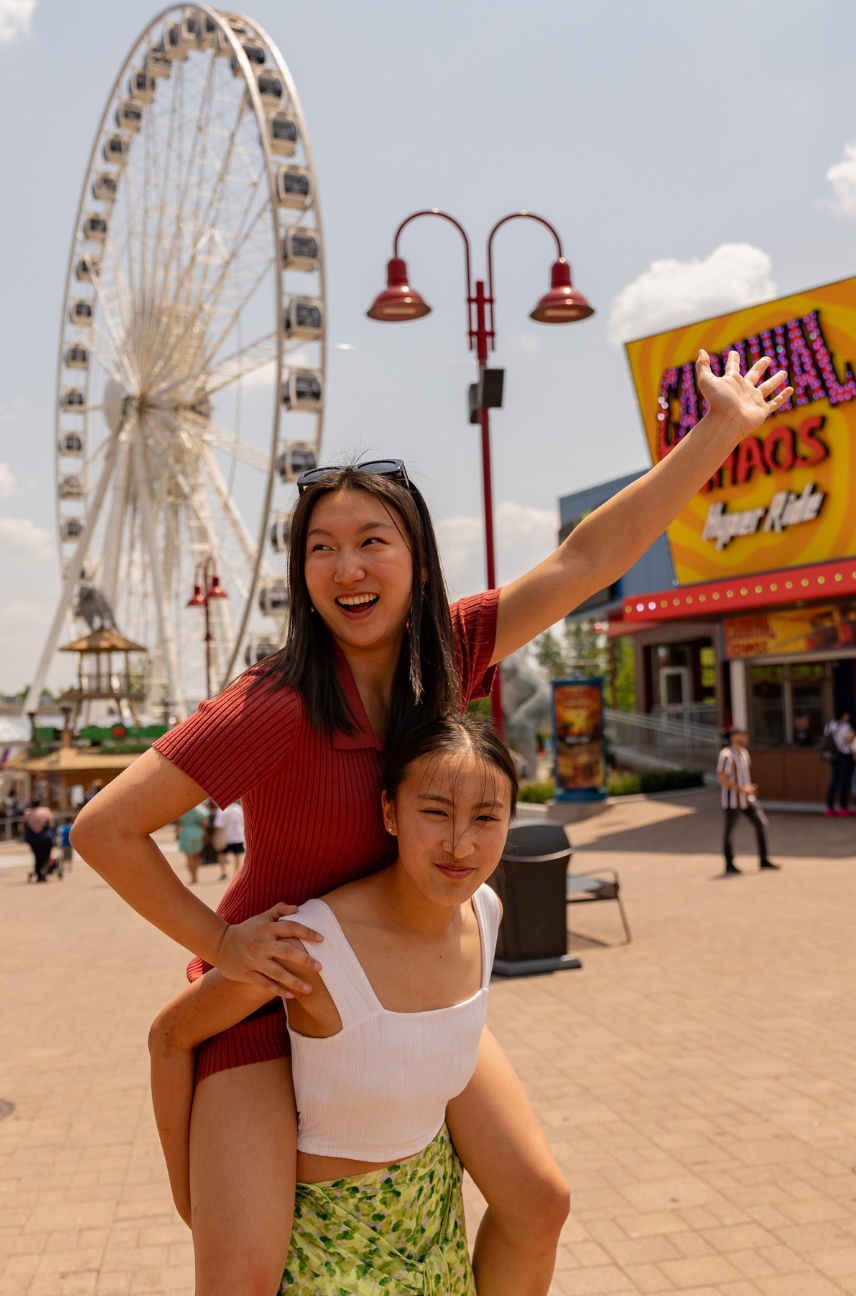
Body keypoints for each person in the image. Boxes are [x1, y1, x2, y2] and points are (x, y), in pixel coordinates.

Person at [72, 350, 794, 1296]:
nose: (347, 566)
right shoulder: (274, 705)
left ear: (416, 556)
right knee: (242, 1274)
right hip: (271, 1001)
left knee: (540, 1199)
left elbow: (586, 560)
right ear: (300, 574)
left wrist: (716, 434)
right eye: (320, 547)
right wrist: (223, 944)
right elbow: (102, 829)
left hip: (402, 975)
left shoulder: (455, 651)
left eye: (372, 539)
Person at [149, 717, 540, 1294]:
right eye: (434, 813)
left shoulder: (485, 911)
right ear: (389, 814)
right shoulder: (313, 945)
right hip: (333, 1247)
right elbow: (170, 1035)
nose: (461, 844)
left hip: (430, 1218)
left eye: (486, 818)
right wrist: (189, 1195)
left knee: (544, 1201)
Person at [717, 726, 779, 875]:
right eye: (741, 735)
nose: (745, 738)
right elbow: (722, 779)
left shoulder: (744, 753)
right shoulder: (726, 755)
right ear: (733, 737)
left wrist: (748, 788)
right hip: (732, 801)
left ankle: (764, 860)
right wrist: (741, 789)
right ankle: (729, 863)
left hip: (747, 799)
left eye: (746, 735)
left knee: (761, 824)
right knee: (730, 832)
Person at [824, 711, 855, 816]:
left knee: (834, 780)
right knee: (843, 781)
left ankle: (829, 807)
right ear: (844, 715)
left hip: (833, 755)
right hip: (844, 755)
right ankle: (843, 807)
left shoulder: (829, 725)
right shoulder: (846, 726)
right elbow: (849, 739)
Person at [23, 795, 55, 882]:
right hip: (45, 837)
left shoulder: (27, 813)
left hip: (33, 838)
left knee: (37, 856)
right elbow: (51, 824)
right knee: (46, 856)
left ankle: (38, 874)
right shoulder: (45, 811)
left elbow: (25, 826)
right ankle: (43, 870)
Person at [177, 803, 208, 885]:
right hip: (197, 832)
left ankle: (192, 877)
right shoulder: (201, 808)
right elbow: (205, 822)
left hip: (186, 833)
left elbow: (179, 822)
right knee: (196, 856)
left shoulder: (183, 808)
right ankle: (196, 876)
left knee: (189, 857)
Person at [213, 800, 244, 879]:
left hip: (225, 837)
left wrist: (215, 836)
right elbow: (243, 821)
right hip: (237, 836)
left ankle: (223, 871)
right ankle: (236, 872)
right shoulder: (238, 809)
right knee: (237, 855)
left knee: (221, 854)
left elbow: (218, 825)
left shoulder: (222, 809)